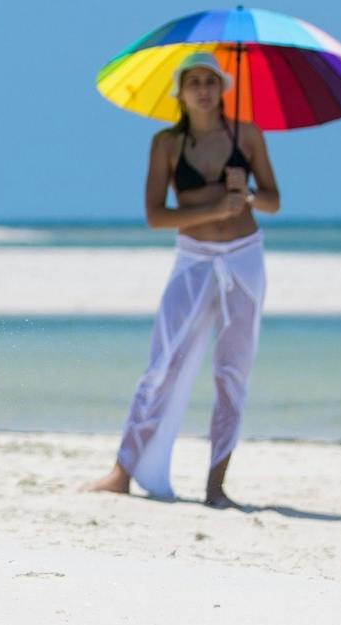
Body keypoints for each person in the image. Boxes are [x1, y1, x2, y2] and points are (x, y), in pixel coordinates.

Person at [89, 51, 280, 507]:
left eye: (211, 81)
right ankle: (122, 471)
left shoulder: (247, 135)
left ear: (223, 88)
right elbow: (156, 216)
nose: (203, 90)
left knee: (233, 370)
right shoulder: (167, 144)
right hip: (193, 259)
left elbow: (273, 201)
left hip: (244, 258)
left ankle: (216, 486)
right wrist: (215, 208)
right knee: (162, 364)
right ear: (180, 92)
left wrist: (248, 195)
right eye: (194, 82)